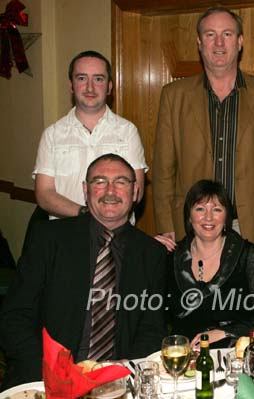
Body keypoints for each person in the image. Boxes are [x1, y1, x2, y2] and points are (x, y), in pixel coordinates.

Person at [0, 154, 166, 389]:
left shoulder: (151, 253)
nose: (110, 191)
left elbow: (151, 329)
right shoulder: (48, 238)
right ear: (85, 190)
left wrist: (123, 372)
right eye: (99, 182)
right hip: (45, 377)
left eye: (120, 182)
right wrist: (52, 374)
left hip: (116, 381)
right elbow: (15, 318)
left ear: (135, 190)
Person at [153, 6, 254, 260]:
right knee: (195, 298)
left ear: (239, 42)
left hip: (248, 223)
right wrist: (165, 224)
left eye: (227, 34)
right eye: (210, 34)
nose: (218, 42)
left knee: (247, 298)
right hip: (192, 225)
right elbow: (163, 170)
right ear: (199, 43)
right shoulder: (174, 96)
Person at [156, 180, 254, 348]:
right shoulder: (172, 257)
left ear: (227, 216)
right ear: (189, 216)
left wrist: (224, 332)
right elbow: (150, 311)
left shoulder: (247, 254)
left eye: (217, 209)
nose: (208, 217)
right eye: (200, 209)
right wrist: (148, 252)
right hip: (185, 357)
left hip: (235, 353)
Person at [33, 50, 147, 220]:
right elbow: (44, 194)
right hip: (65, 236)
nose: (90, 87)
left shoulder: (128, 131)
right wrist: (85, 214)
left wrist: (104, 218)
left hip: (116, 237)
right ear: (71, 85)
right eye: (81, 78)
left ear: (109, 87)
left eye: (98, 79)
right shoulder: (52, 135)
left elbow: (135, 190)